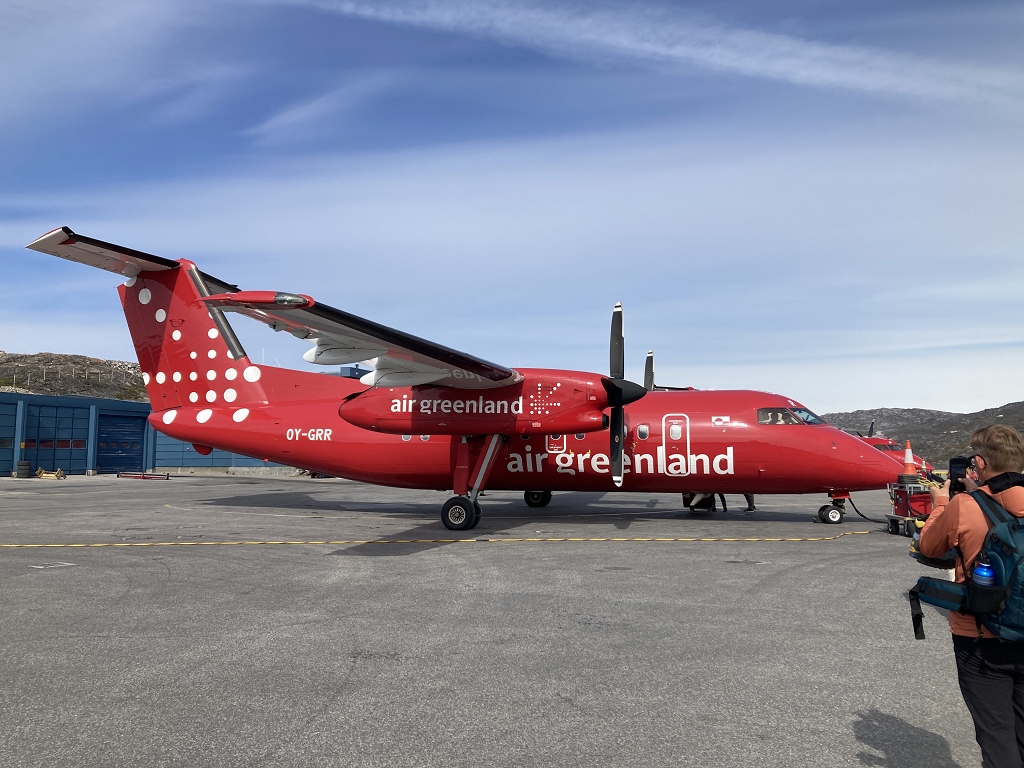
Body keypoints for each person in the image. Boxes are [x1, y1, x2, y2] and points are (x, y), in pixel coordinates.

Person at [919, 425, 1024, 767]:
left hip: (980, 636)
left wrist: (940, 503)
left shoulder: (965, 505)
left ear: (978, 463)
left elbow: (929, 546)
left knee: (996, 734)